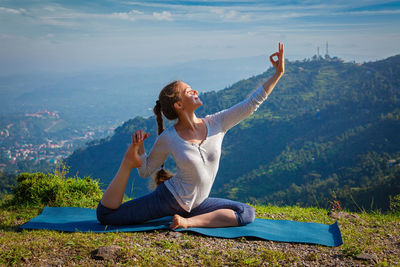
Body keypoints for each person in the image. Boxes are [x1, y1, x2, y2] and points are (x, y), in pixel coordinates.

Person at [97, 43, 285, 229]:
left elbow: (251, 103)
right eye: (189, 91)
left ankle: (187, 222)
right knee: (106, 216)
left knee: (246, 212)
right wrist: (137, 153)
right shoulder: (169, 137)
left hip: (197, 206)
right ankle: (125, 163)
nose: (195, 91)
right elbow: (145, 170)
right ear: (179, 105)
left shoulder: (217, 123)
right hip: (168, 199)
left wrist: (278, 74)